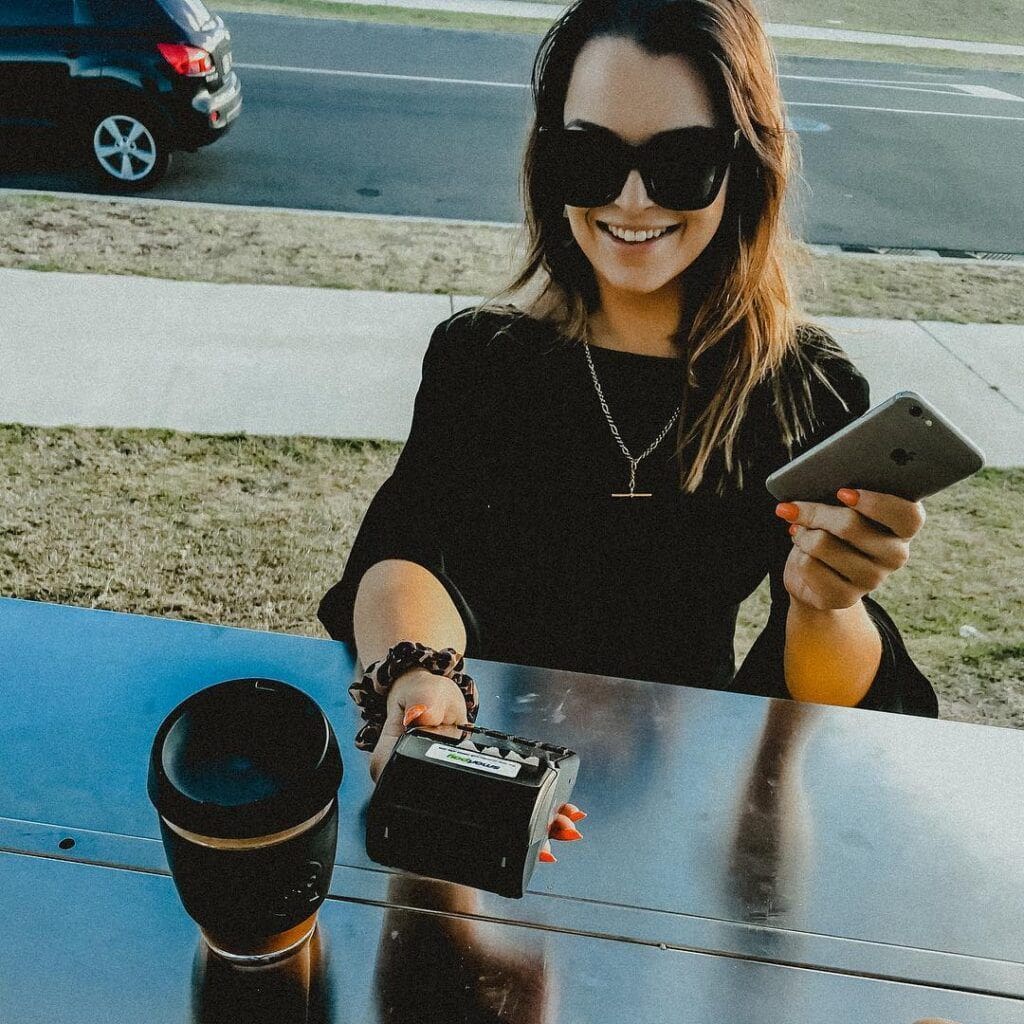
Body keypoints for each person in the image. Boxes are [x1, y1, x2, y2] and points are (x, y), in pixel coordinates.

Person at [318, 0, 939, 858]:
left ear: (745, 163)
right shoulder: (483, 358)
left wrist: (829, 601)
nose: (632, 199)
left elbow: (815, 694)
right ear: (550, 158)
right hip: (481, 779)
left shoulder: (804, 389)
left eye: (681, 162)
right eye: (592, 156)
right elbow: (409, 547)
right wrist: (420, 676)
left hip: (684, 816)